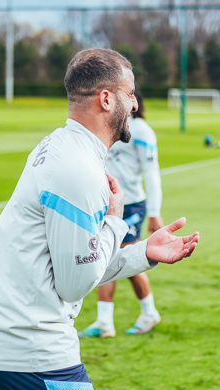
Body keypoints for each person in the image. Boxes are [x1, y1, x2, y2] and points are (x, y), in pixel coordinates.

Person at [0, 48, 199, 390]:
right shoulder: (79, 171)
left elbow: (74, 263)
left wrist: (143, 252)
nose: (135, 104)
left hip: (9, 342)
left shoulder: (60, 147)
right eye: (130, 92)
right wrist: (118, 219)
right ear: (106, 98)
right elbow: (78, 282)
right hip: (36, 352)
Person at [80, 89, 164, 338]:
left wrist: (154, 212)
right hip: (104, 205)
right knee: (102, 255)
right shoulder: (107, 127)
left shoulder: (142, 132)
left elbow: (152, 173)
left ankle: (148, 313)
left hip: (132, 204)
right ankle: (104, 321)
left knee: (127, 255)